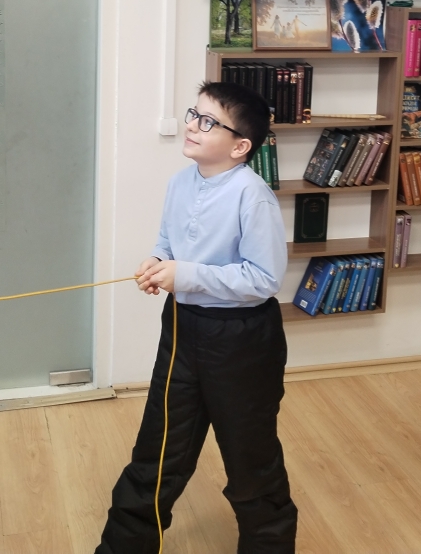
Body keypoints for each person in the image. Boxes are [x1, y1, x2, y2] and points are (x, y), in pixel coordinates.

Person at [97, 81, 298, 554]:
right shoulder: (180, 182)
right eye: (194, 114)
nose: (192, 125)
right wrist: (157, 262)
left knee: (250, 460)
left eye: (209, 122)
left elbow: (263, 279)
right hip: (183, 329)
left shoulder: (253, 196)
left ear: (240, 146)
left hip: (242, 342)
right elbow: (168, 242)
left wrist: (184, 274)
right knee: (157, 451)